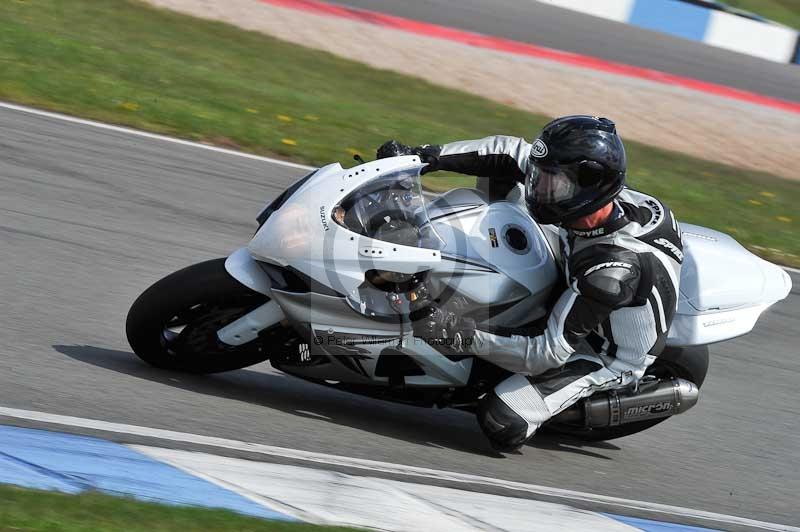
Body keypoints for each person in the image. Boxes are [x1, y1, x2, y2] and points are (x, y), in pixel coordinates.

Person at [376, 116, 684, 452]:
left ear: (590, 187)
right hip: (573, 272)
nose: (538, 189)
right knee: (500, 181)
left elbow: (546, 353)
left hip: (600, 350)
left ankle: (584, 399)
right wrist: (420, 157)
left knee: (502, 420)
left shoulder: (611, 271)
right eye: (540, 176)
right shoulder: (592, 198)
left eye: (552, 184)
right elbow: (508, 153)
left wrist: (454, 331)